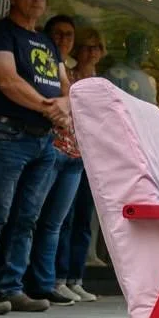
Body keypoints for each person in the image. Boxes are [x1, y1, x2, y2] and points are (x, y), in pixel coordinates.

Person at [0, 0, 71, 314]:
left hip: (44, 140)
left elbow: (65, 86)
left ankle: (11, 288)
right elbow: (7, 80)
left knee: (27, 218)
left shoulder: (46, 41)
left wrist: (62, 110)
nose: (36, 0)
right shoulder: (2, 32)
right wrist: (49, 107)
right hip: (9, 133)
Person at [26, 15, 87, 305]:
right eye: (59, 34)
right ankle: (22, 283)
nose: (64, 40)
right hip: (49, 149)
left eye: (69, 35)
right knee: (30, 218)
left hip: (75, 156)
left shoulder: (77, 74)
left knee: (55, 224)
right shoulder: (43, 69)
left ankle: (46, 282)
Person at [56, 27, 105, 301]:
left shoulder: (101, 81)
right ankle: (59, 277)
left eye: (97, 47)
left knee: (84, 219)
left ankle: (77, 277)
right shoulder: (70, 75)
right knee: (64, 218)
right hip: (69, 149)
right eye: (87, 46)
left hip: (94, 157)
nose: (92, 52)